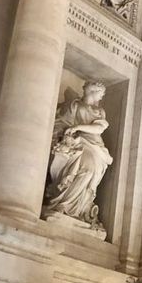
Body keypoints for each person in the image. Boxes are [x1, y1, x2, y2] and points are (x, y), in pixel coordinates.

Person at [44, 81, 113, 228]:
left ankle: (79, 209)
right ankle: (64, 205)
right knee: (86, 169)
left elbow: (99, 128)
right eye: (100, 94)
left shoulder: (100, 111)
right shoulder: (74, 105)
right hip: (77, 143)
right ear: (93, 92)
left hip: (95, 145)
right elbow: (61, 122)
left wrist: (78, 127)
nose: (100, 98)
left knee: (92, 171)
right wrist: (67, 135)